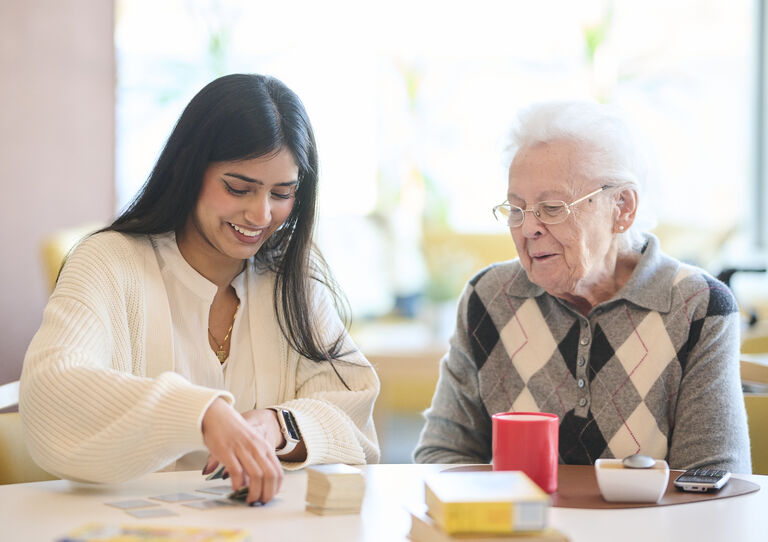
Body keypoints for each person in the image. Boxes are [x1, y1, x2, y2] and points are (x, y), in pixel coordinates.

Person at [20, 74, 380, 504]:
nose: (261, 214)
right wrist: (200, 413)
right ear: (188, 170)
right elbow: (52, 390)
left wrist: (279, 425)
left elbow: (357, 415)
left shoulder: (289, 281)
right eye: (238, 188)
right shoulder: (109, 262)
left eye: (282, 193)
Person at [414, 101, 751, 473]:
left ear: (621, 207)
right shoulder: (488, 297)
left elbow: (713, 481)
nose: (529, 228)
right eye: (516, 209)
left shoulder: (697, 306)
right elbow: (442, 456)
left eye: (553, 207)